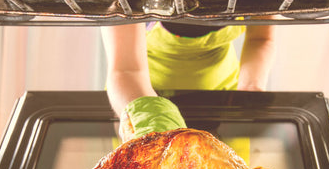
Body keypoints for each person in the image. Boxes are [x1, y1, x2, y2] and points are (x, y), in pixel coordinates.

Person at [101, 20, 276, 142]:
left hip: (223, 95)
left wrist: (250, 89)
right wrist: (151, 128)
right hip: (139, 96)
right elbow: (126, 70)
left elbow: (260, 39)